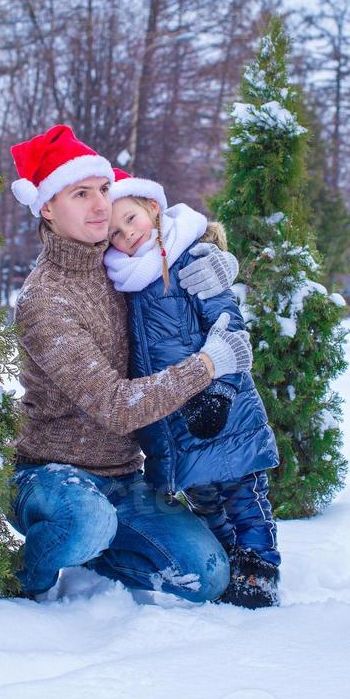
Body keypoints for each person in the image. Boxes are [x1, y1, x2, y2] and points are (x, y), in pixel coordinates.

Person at [8, 124, 252, 603]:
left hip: (123, 477)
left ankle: (97, 548)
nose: (102, 206)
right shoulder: (45, 300)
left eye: (103, 189)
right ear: (49, 209)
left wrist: (219, 265)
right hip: (50, 477)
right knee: (84, 519)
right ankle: (23, 577)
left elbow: (172, 239)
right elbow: (115, 406)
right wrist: (207, 365)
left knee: (206, 576)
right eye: (81, 194)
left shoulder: (118, 264)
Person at [104, 170, 281, 608]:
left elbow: (228, 324)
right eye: (114, 232)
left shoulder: (190, 257)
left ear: (152, 207)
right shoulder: (122, 279)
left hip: (224, 406)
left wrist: (219, 392)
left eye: (130, 218)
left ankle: (258, 570)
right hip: (174, 422)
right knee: (204, 499)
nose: (127, 234)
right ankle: (228, 560)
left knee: (244, 495)